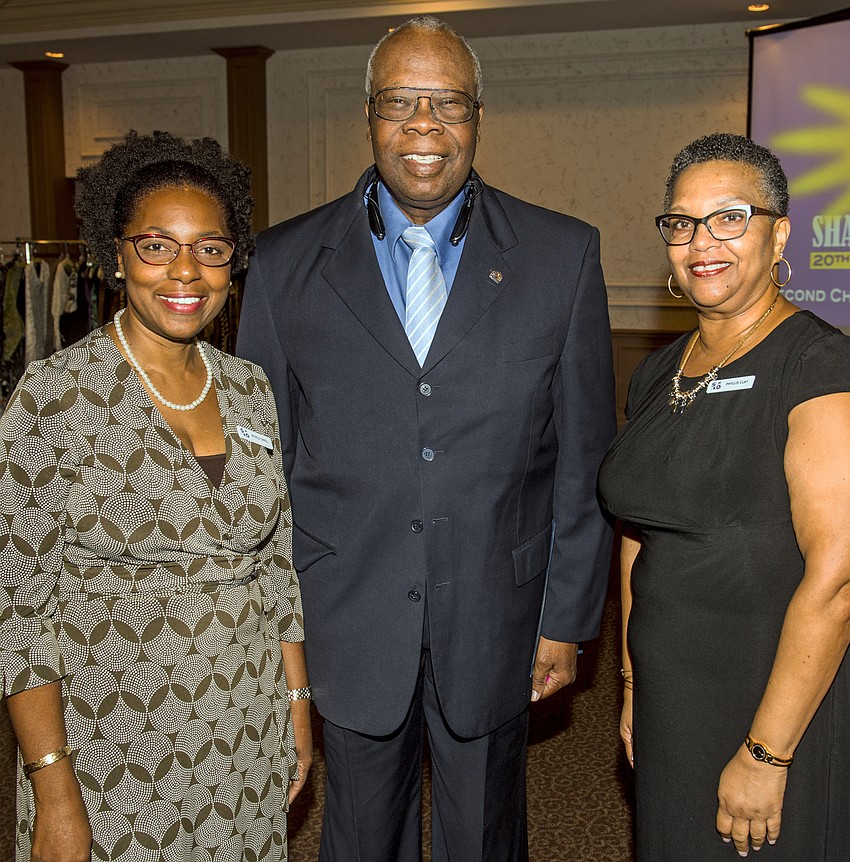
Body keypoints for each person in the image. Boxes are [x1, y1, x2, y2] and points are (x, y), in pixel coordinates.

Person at [237, 15, 616, 862]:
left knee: (486, 837)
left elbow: (584, 461)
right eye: (400, 102)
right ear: (368, 116)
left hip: (500, 615)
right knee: (361, 837)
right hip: (346, 615)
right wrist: (275, 630)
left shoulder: (562, 256)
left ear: (477, 116)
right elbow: (262, 474)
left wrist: (565, 619)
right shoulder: (283, 263)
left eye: (446, 102)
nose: (423, 125)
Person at [0, 129, 311, 862]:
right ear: (115, 257)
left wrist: (297, 709)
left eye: (211, 249)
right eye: (157, 245)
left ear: (232, 266)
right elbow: (18, 611)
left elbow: (277, 571)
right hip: (111, 754)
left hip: (243, 730)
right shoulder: (56, 398)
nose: (186, 271)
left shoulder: (248, 388)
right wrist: (53, 789)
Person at [598, 132, 850, 860]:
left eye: (729, 218)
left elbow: (836, 579)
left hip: (775, 699)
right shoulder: (658, 372)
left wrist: (767, 755)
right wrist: (633, 683)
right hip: (673, 697)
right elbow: (639, 531)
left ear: (779, 237)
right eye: (681, 222)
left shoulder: (819, 365)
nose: (700, 241)